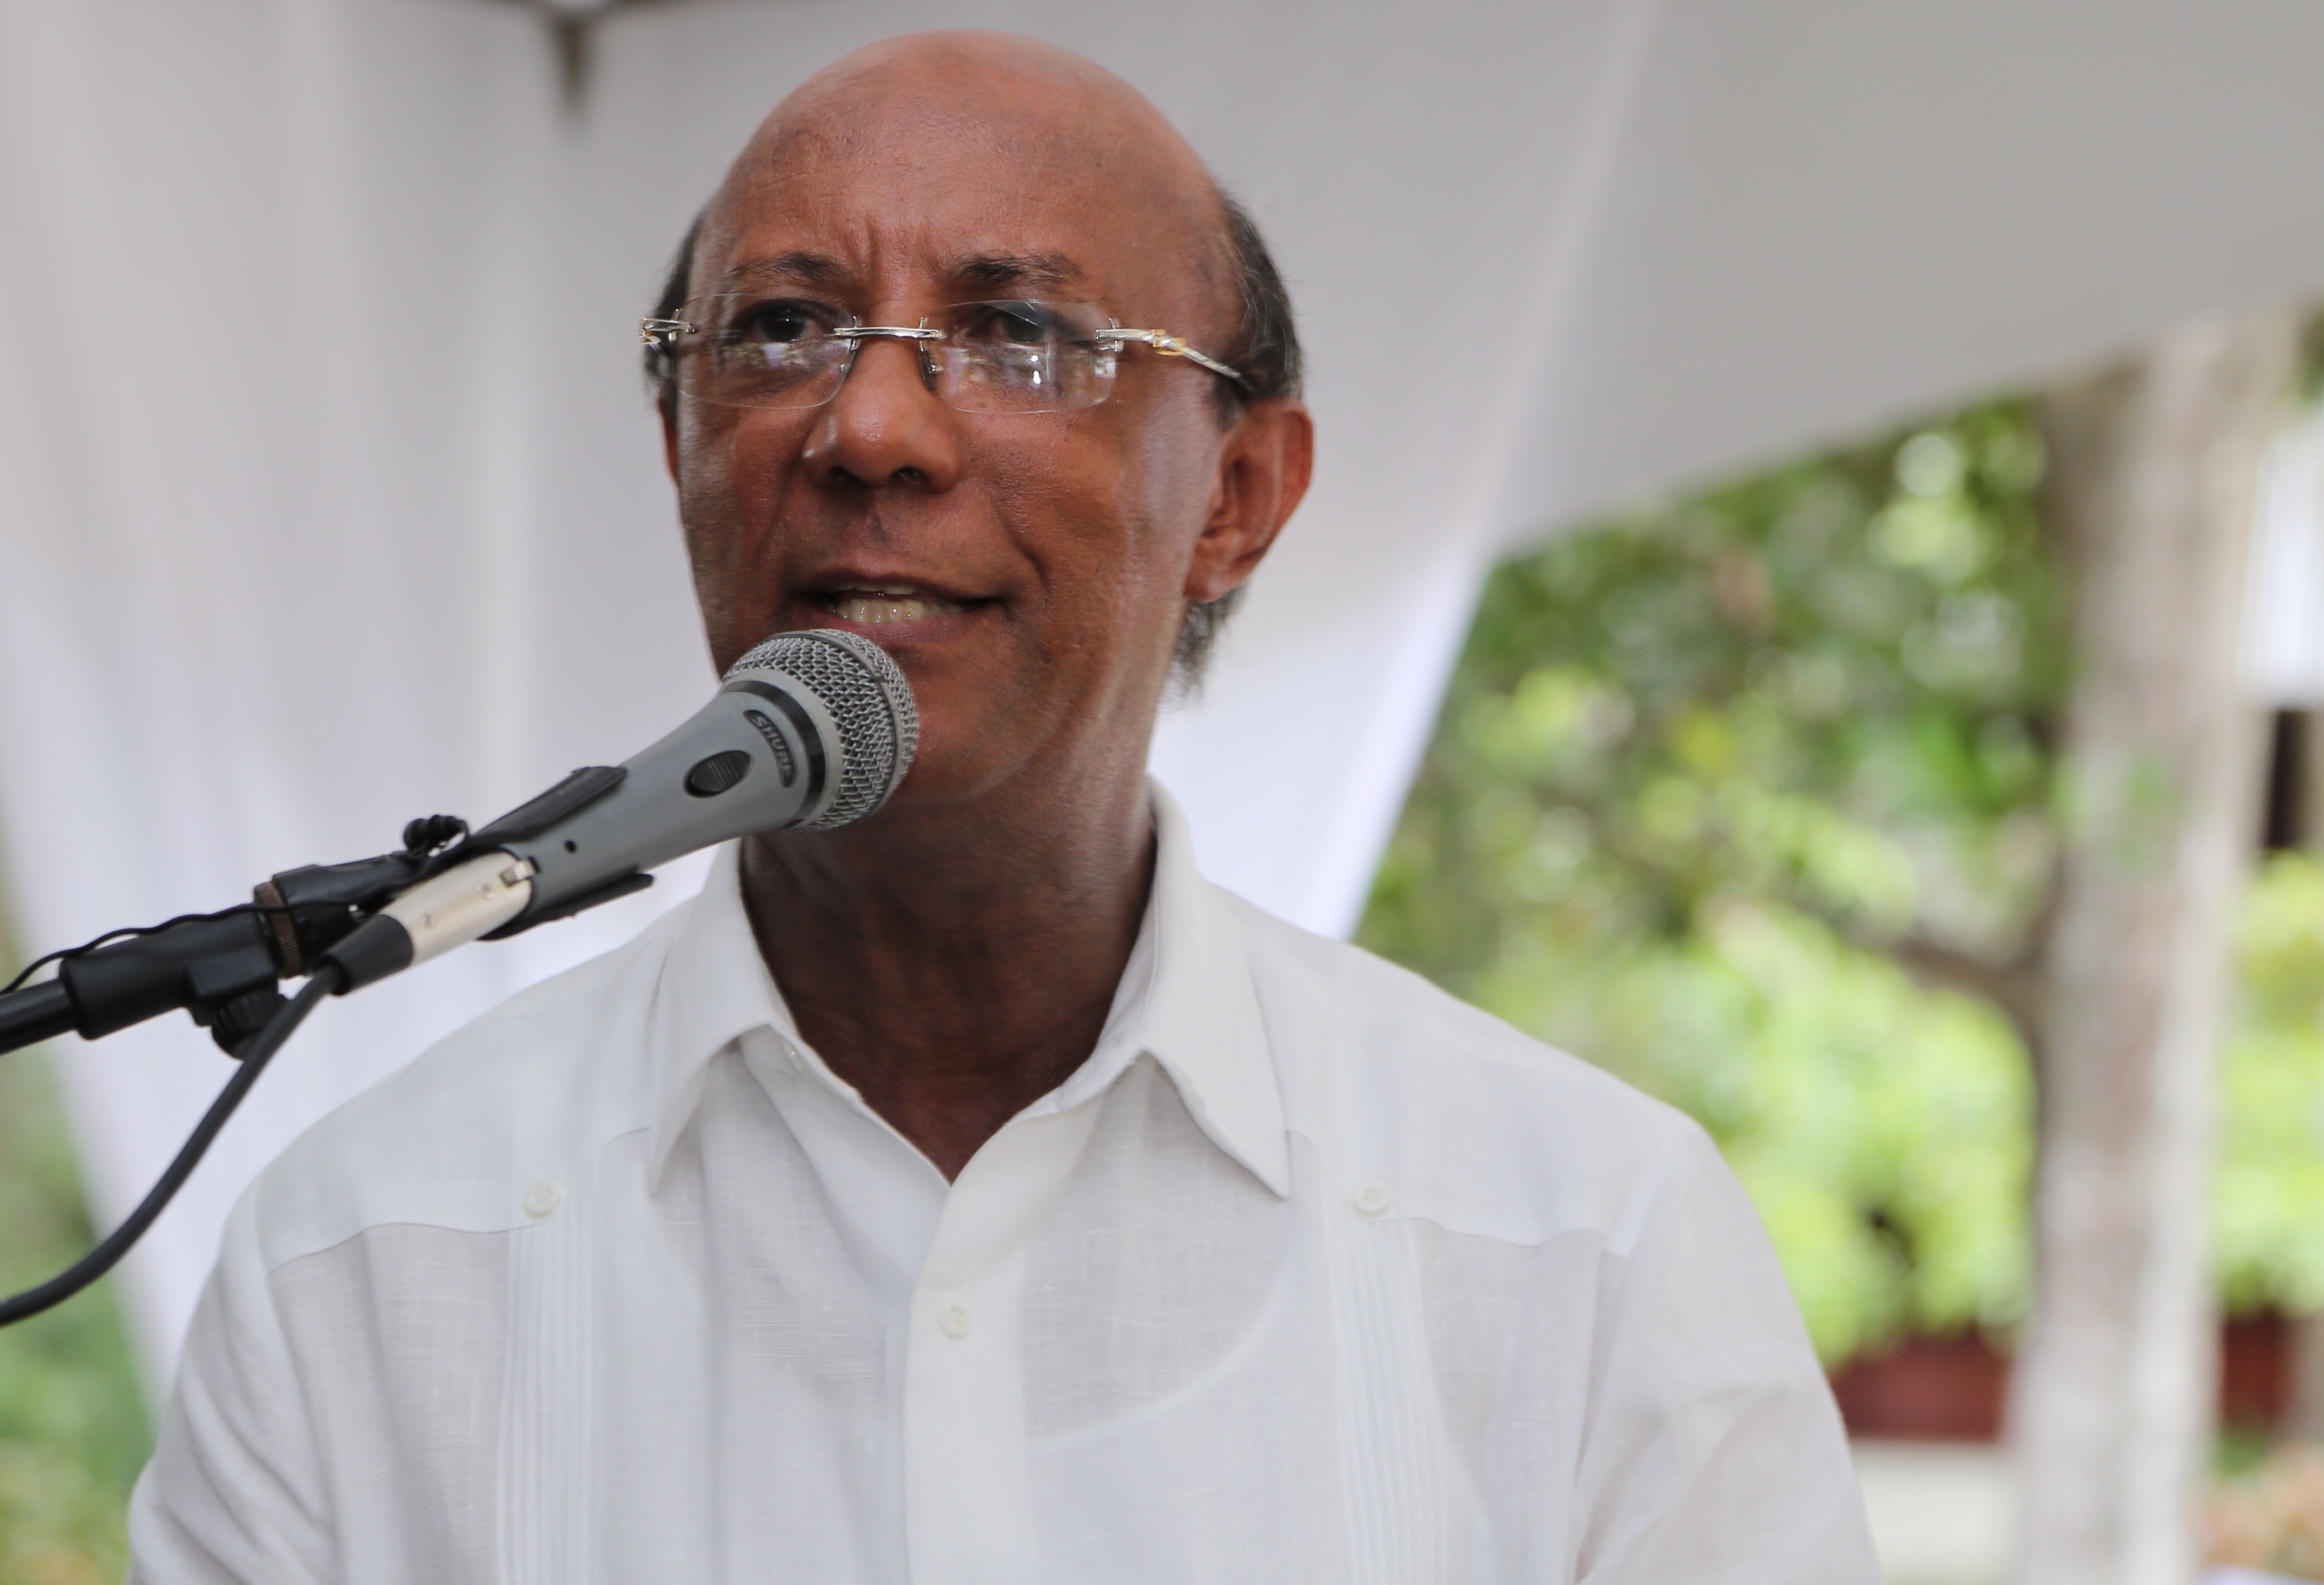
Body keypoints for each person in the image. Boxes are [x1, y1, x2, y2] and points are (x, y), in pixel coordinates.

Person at [129, 30, 1877, 1584]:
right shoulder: (366, 1259)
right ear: (677, 448)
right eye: (783, 328)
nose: (870, 424)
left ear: (1237, 497)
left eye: (1019, 334)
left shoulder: (1581, 1245)